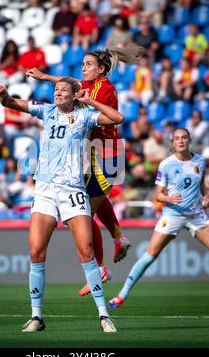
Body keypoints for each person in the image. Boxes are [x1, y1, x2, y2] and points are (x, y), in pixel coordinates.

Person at [0, 77, 124, 332]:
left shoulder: (86, 116)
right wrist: (3, 95)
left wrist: (90, 101)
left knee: (86, 251)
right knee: (35, 252)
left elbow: (117, 118)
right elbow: (11, 103)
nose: (58, 93)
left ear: (75, 95)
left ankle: (103, 315)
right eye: (56, 89)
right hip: (45, 190)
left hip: (73, 190)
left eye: (64, 90)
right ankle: (36, 316)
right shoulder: (46, 110)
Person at [26, 44, 144, 296]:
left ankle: (101, 267)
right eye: (82, 64)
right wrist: (46, 77)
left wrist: (69, 99)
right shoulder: (89, 85)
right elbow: (70, 82)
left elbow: (83, 105)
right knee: (91, 205)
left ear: (101, 69)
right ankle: (118, 237)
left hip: (108, 156)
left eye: (88, 65)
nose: (83, 68)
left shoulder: (104, 89)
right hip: (93, 154)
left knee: (83, 213)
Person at [109, 128, 209, 310]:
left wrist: (206, 196)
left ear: (189, 140)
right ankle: (122, 294)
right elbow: (158, 195)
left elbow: (203, 186)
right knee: (149, 256)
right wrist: (169, 198)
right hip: (172, 215)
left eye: (184, 137)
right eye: (177, 138)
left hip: (196, 215)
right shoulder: (166, 164)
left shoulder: (200, 161)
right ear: (173, 143)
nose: (181, 141)